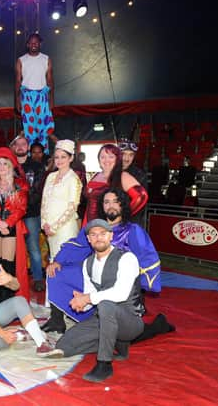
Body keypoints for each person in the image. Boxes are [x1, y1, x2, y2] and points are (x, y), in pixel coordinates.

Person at [42, 188, 165, 335]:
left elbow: (146, 257)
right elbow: (78, 246)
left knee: (119, 334)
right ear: (102, 206)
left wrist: (141, 287)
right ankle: (57, 320)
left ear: (122, 205)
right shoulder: (94, 227)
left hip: (116, 282)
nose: (111, 205)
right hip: (93, 275)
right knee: (56, 272)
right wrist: (58, 261)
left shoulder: (132, 230)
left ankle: (157, 326)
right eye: (107, 202)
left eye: (115, 202)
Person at [48, 220, 145, 383]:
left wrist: (87, 298)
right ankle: (115, 342)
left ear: (111, 236)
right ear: (88, 239)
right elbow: (91, 296)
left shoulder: (127, 258)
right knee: (63, 346)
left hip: (131, 320)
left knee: (106, 305)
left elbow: (120, 294)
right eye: (93, 234)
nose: (98, 238)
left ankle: (104, 363)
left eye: (103, 233)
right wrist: (81, 302)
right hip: (105, 318)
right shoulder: (88, 263)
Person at [0, 147, 30, 302]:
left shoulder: (20, 185)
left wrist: (7, 223)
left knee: (8, 264)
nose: (2, 167)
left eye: (5, 164)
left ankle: (9, 301)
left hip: (12, 227)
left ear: (10, 166)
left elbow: (21, 208)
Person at [10, 135, 46, 292]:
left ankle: (38, 278)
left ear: (27, 147)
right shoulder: (8, 165)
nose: (20, 147)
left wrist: (22, 205)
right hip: (11, 215)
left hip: (30, 213)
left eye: (23, 144)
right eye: (16, 144)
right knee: (13, 249)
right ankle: (14, 278)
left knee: (33, 248)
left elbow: (38, 191)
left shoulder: (37, 166)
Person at [84, 144, 148, 223]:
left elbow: (141, 196)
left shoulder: (122, 175)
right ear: (99, 159)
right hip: (89, 224)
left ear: (117, 159)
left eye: (111, 157)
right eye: (103, 157)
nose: (106, 160)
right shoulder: (97, 175)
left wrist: (121, 217)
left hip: (108, 228)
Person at [40, 139, 82, 261]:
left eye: (63, 157)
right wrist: (45, 224)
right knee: (53, 259)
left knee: (65, 259)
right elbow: (44, 201)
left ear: (71, 158)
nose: (59, 160)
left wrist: (54, 227)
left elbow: (72, 207)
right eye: (57, 157)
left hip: (65, 227)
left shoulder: (74, 179)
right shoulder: (50, 176)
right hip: (49, 227)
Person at [15, 33, 56, 153]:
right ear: (28, 44)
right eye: (31, 43)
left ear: (40, 44)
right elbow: (18, 81)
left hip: (42, 96)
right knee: (29, 129)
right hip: (26, 96)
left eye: (36, 42)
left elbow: (50, 80)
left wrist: (51, 100)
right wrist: (17, 101)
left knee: (43, 127)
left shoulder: (46, 59)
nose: (34, 45)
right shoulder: (21, 60)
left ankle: (44, 155)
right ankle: (29, 156)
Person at [119, 139, 148, 227]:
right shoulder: (111, 172)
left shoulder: (140, 175)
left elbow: (141, 204)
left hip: (131, 222)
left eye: (131, 155)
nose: (127, 159)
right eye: (124, 154)